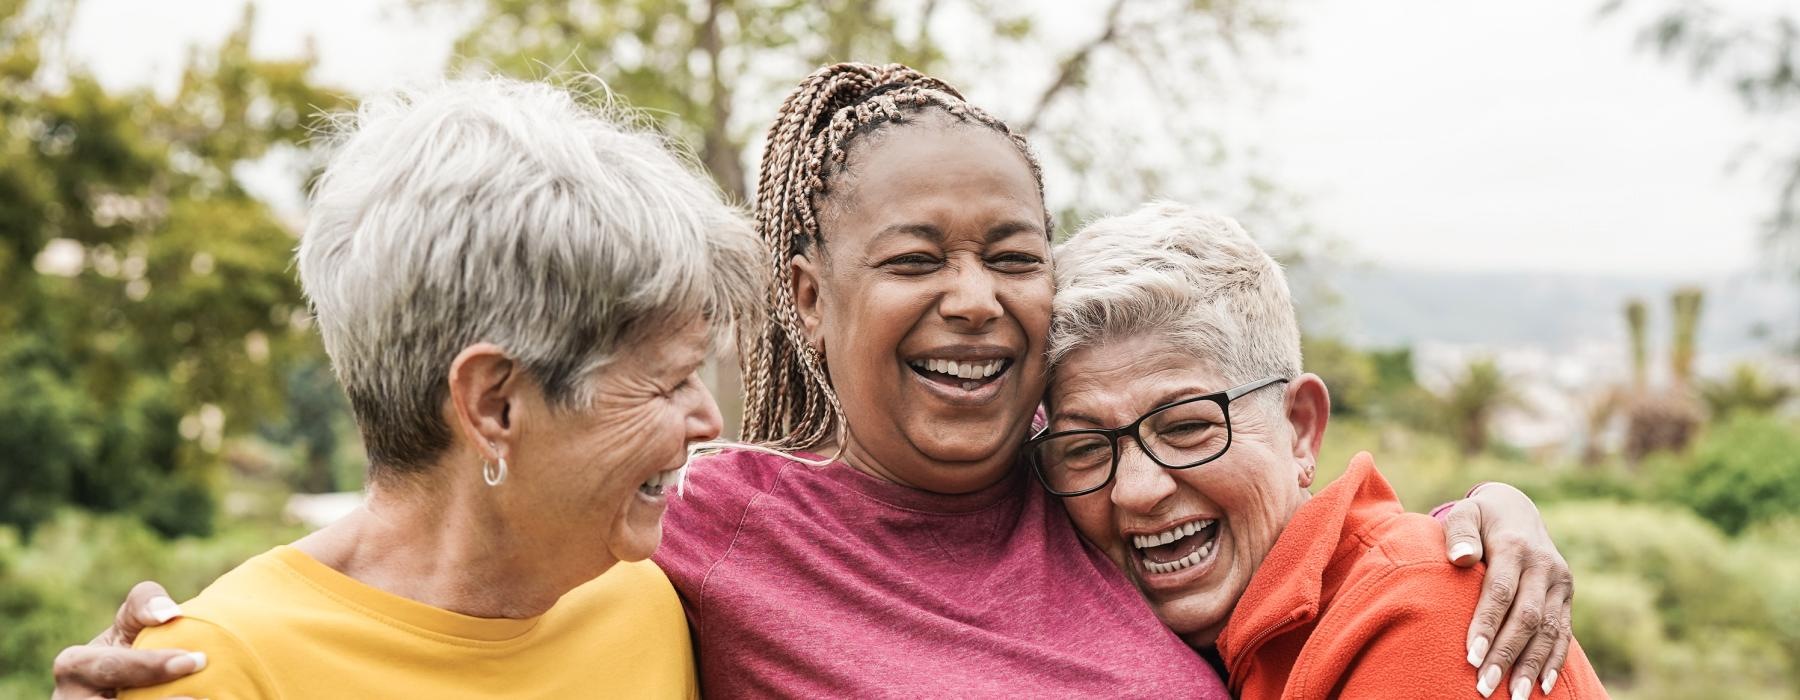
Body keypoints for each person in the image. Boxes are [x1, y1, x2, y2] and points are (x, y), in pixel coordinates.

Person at [56, 64, 1572, 698]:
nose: (974, 301)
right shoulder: (692, 538)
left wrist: (1482, 524)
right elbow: (429, 553)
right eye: (915, 259)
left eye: (1013, 254)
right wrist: (180, 635)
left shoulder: (1106, 499)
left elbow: (1312, 557)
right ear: (806, 295)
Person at [77, 76, 765, 699]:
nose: (707, 419)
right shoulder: (218, 672)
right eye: (669, 382)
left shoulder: (645, 601)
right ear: (493, 405)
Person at [1034, 202, 1602, 699]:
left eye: (1185, 428)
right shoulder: (1232, 637)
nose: (1135, 489)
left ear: (1300, 427)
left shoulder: (1421, 619)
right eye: (1085, 448)